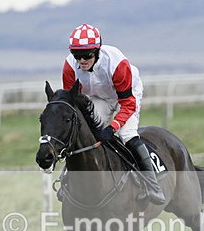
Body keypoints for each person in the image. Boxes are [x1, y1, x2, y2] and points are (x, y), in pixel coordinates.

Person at [62, 23, 165, 205]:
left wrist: (112, 128)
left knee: (127, 135)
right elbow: (73, 102)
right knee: (82, 133)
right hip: (99, 97)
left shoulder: (117, 63)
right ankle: (66, 179)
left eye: (87, 55)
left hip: (126, 96)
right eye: (77, 55)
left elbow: (127, 104)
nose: (82, 61)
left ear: (98, 51)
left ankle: (152, 184)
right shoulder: (70, 67)